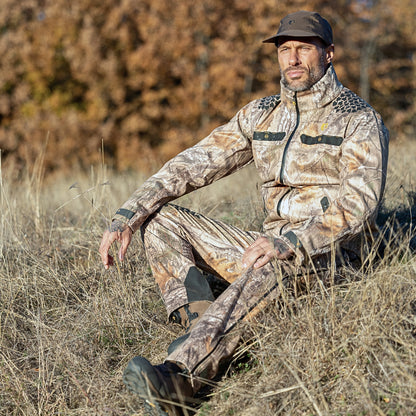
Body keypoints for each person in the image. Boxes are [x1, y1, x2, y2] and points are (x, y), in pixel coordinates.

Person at [99, 10, 389, 416]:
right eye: (284, 50)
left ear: (329, 54)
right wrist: (127, 216)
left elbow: (360, 202)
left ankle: (181, 382)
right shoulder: (262, 113)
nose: (292, 59)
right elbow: (194, 162)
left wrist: (291, 242)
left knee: (272, 267)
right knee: (161, 219)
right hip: (266, 247)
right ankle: (200, 327)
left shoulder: (358, 119)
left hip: (328, 258)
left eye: (304, 49)